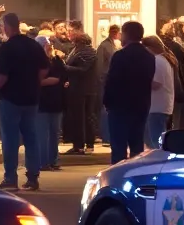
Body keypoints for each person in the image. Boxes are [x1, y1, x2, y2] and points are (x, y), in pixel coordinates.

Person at [0, 11, 49, 190]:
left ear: (6, 26)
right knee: (31, 137)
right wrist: (34, 82)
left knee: (10, 138)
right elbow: (44, 69)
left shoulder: (7, 47)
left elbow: (2, 76)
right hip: (31, 97)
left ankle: (10, 178)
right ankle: (33, 178)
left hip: (10, 98)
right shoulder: (33, 45)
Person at [103, 21, 156, 164]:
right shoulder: (149, 57)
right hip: (141, 106)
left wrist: (107, 102)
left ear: (126, 34)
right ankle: (135, 172)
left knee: (119, 146)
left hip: (120, 107)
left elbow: (112, 81)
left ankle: (118, 176)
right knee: (136, 145)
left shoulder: (120, 55)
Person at [63, 23, 98, 155]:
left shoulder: (84, 52)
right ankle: (88, 144)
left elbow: (83, 70)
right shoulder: (85, 51)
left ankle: (79, 145)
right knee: (88, 117)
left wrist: (64, 67)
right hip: (88, 89)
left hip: (80, 89)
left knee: (79, 117)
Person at [36, 35, 67, 172]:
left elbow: (59, 78)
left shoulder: (56, 61)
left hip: (53, 101)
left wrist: (45, 81)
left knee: (53, 133)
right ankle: (44, 161)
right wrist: (50, 81)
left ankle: (52, 160)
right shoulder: (38, 61)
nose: (49, 46)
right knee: (44, 133)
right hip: (43, 102)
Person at [142, 35, 176, 149]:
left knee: (156, 140)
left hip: (157, 106)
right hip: (161, 106)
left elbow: (156, 84)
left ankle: (158, 161)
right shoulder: (164, 60)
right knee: (155, 137)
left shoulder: (158, 61)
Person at [95, 23, 121, 144]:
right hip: (105, 81)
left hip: (108, 80)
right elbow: (100, 65)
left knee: (108, 109)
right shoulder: (105, 46)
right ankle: (106, 135)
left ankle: (108, 135)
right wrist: (101, 80)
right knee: (105, 109)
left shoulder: (110, 45)